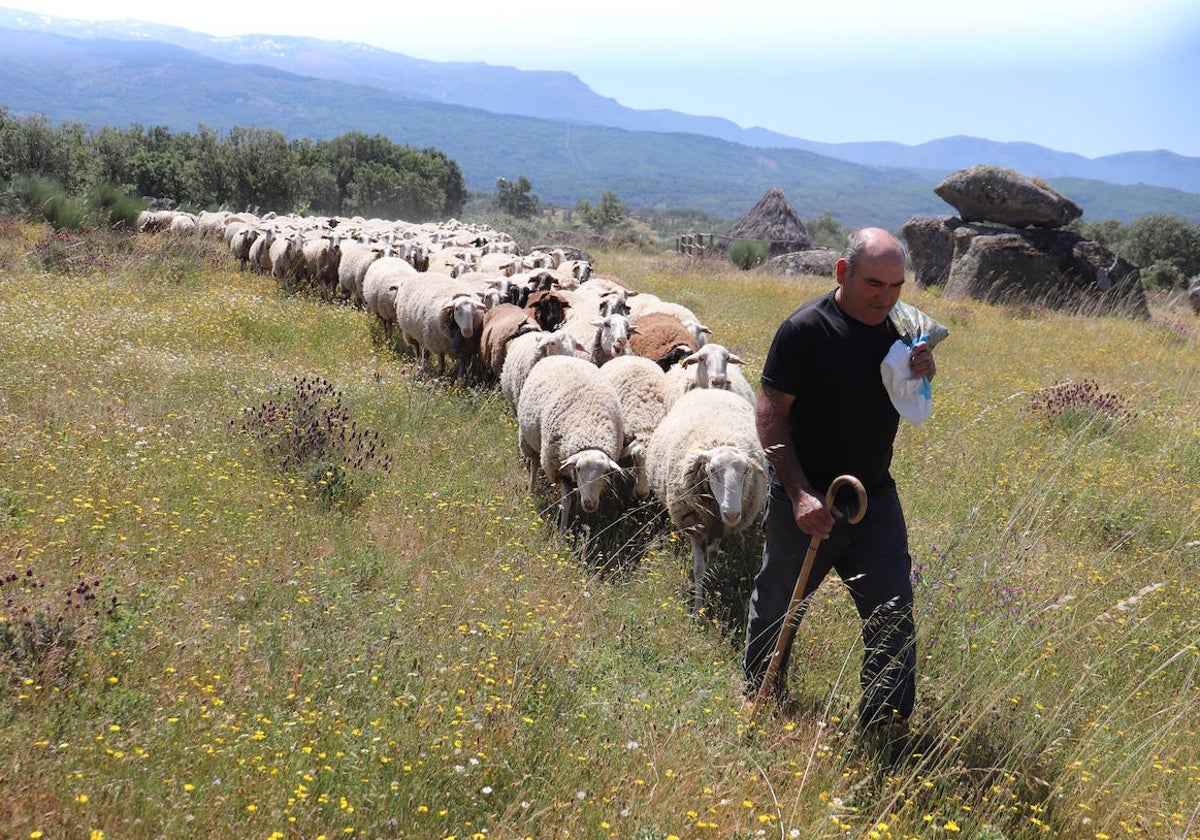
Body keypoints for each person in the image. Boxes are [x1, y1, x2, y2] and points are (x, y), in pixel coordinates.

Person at [742, 227, 936, 747]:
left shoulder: (901, 328)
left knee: (892, 612)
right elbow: (770, 414)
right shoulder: (805, 330)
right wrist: (800, 493)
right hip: (806, 498)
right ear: (842, 272)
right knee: (779, 602)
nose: (887, 296)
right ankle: (759, 696)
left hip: (872, 498)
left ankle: (884, 729)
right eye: (875, 283)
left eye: (897, 285)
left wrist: (922, 371)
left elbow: (908, 397)